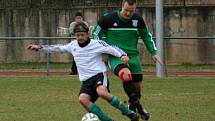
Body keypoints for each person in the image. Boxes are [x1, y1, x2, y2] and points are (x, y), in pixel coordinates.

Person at [26, 22, 139, 121]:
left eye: (82, 35)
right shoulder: (73, 46)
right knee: (82, 99)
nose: (80, 37)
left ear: (87, 34)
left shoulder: (96, 43)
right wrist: (40, 47)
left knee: (102, 92)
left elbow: (111, 48)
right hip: (86, 81)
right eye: (77, 35)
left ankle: (129, 113)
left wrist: (122, 55)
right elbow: (58, 48)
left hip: (99, 75)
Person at [92, 0, 162, 120]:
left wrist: (154, 52)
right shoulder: (108, 18)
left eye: (131, 11)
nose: (128, 13)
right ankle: (139, 108)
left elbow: (146, 35)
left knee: (137, 87)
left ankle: (132, 106)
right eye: (126, 10)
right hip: (116, 55)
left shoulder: (138, 20)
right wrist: (103, 51)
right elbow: (95, 34)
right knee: (126, 76)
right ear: (122, 6)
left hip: (133, 56)